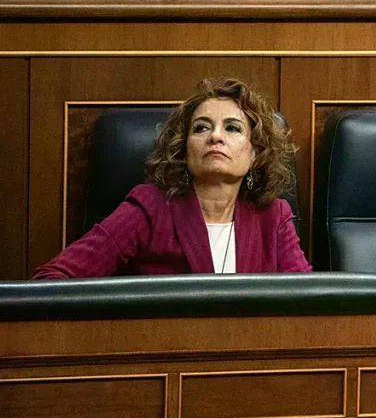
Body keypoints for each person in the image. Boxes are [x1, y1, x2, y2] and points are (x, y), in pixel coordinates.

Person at [34, 78, 311, 278]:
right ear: (184, 148)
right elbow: (55, 280)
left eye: (232, 128)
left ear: (255, 154)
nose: (215, 136)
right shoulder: (151, 207)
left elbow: (306, 304)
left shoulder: (272, 216)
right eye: (201, 128)